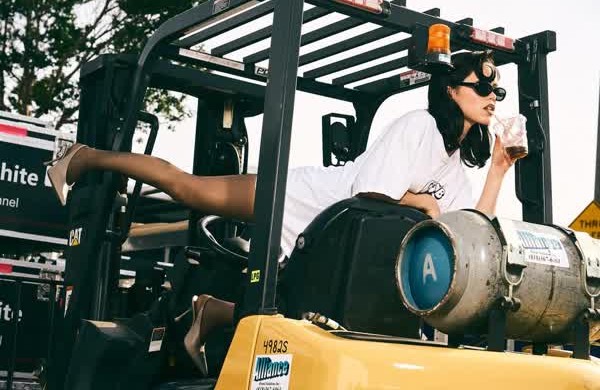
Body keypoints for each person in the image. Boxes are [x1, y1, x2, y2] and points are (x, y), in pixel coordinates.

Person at [46, 50, 517, 375]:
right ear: (450, 90)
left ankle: (209, 312)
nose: (491, 98)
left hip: (338, 241)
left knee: (299, 309)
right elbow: (368, 195)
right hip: (301, 198)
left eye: (496, 91)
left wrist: (498, 168)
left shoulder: (458, 161)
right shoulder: (418, 127)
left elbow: (468, 233)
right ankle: (83, 158)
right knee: (190, 188)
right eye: (480, 87)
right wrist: (421, 202)